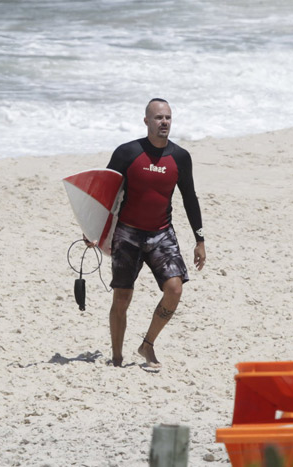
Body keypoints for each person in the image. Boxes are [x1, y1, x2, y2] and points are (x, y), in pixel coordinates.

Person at [92, 98, 206, 368]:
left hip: (161, 234)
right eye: (158, 118)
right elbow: (106, 193)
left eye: (167, 117)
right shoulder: (127, 153)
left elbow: (190, 197)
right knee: (122, 296)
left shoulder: (180, 157)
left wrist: (199, 239)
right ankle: (117, 357)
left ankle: (147, 345)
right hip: (127, 234)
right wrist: (94, 230)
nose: (164, 122)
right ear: (146, 121)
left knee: (175, 289)